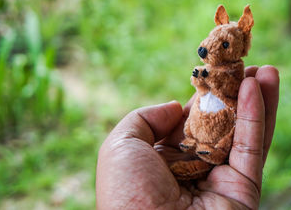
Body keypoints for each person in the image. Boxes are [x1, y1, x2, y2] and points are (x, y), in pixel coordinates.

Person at [96, 65, 279, 209]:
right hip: (195, 137)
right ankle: (193, 145)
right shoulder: (207, 82)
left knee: (211, 153)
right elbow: (199, 86)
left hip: (215, 145)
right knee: (191, 135)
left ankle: (209, 154)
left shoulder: (232, 81)